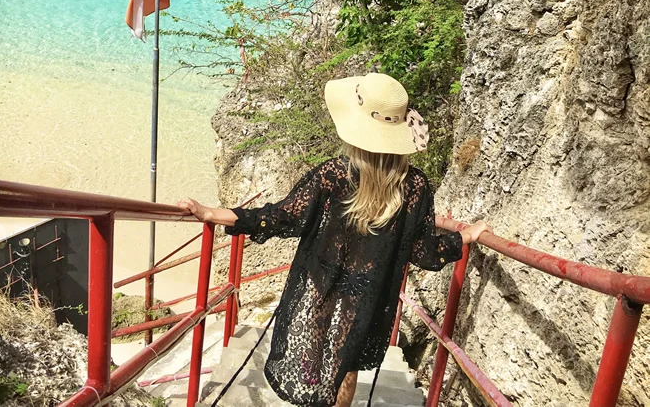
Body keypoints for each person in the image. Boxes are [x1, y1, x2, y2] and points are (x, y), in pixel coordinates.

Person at [178, 72, 492, 407]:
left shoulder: (333, 175)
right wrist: (464, 236)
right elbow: (423, 250)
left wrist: (213, 213)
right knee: (346, 365)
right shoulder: (414, 187)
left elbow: (282, 215)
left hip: (320, 282)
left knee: (316, 355)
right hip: (367, 295)